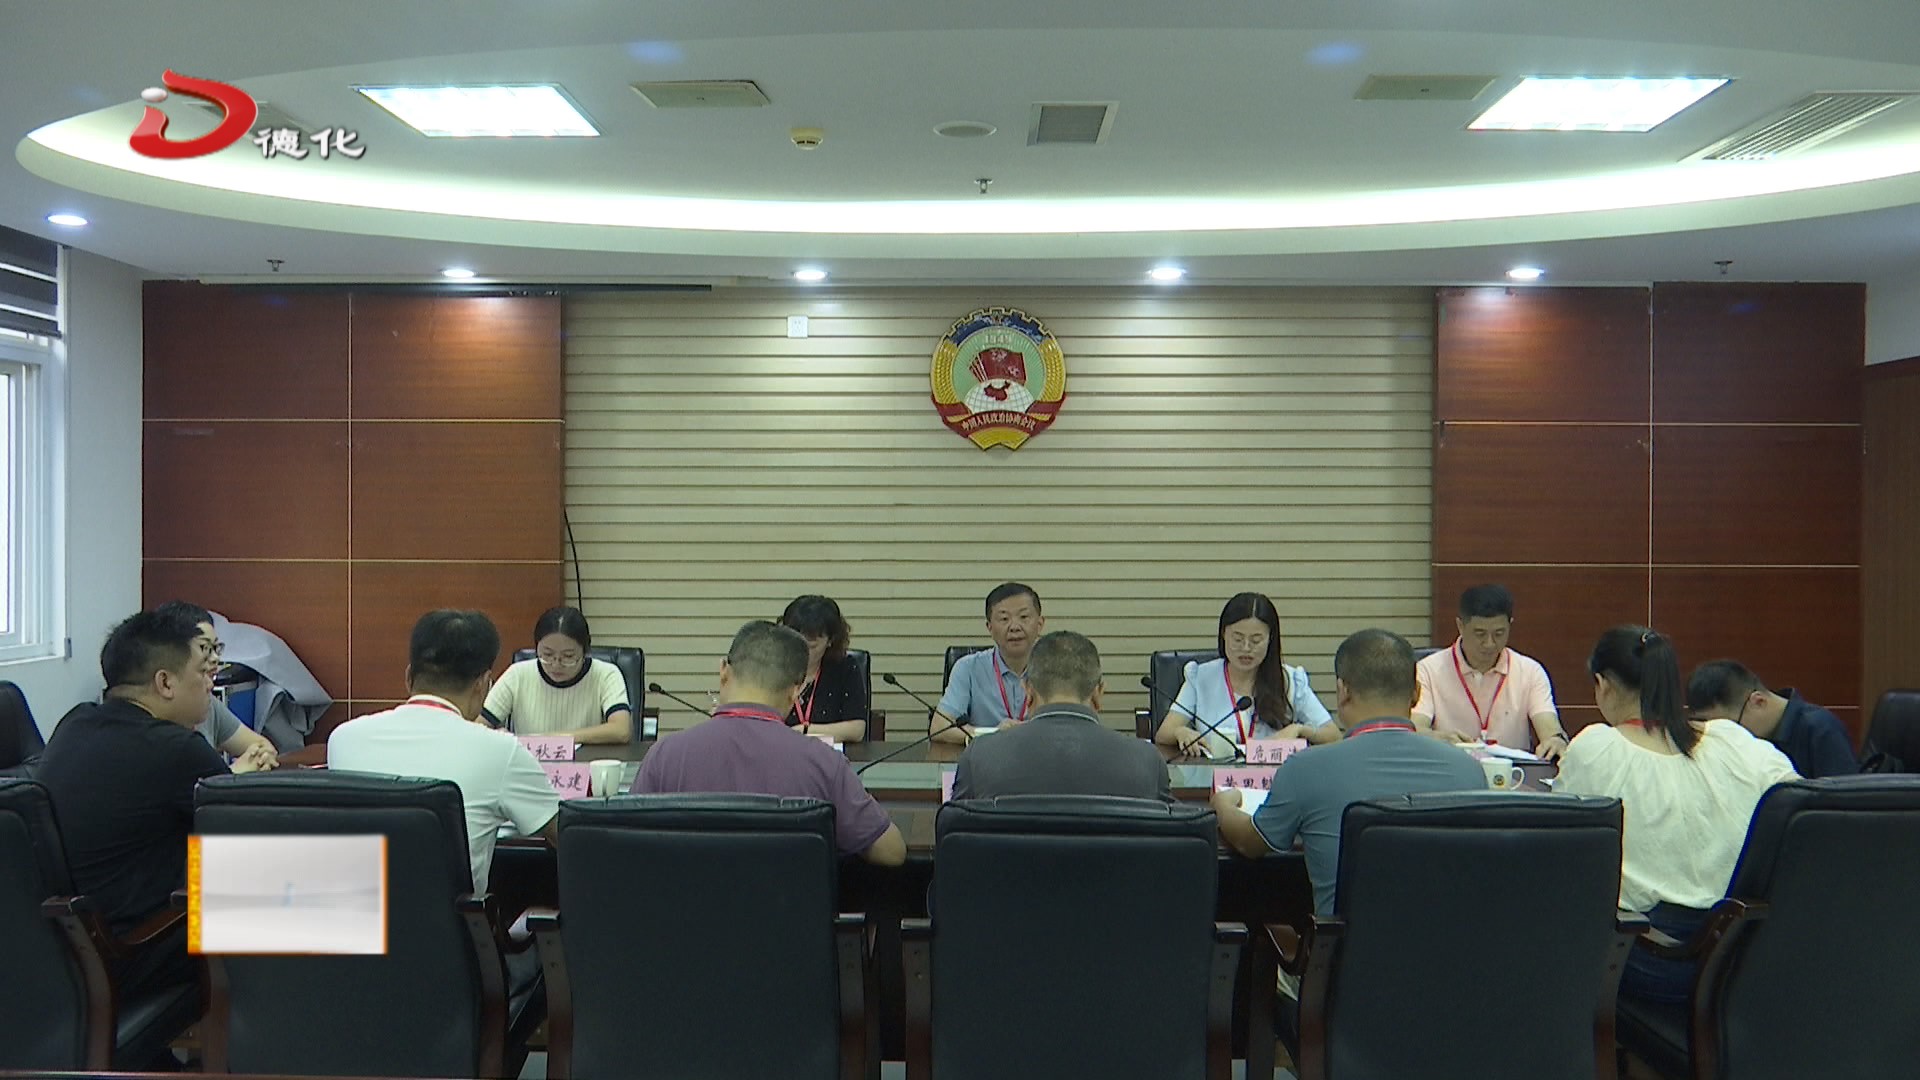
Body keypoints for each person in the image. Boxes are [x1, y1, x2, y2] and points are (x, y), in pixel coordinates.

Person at [35, 609, 272, 1004]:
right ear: (165, 682)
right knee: (337, 893)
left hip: (69, 955)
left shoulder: (74, 724)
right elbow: (251, 831)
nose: (211, 682)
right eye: (203, 671)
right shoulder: (176, 749)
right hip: (139, 949)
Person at [1557, 627, 1798, 1005]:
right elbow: (1802, 805)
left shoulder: (1596, 748)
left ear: (1603, 686)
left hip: (1655, 959)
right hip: (1744, 960)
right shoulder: (1732, 741)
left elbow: (1562, 840)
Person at [1212, 629, 1486, 916]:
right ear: (1417, 693)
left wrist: (1223, 805)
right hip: (1447, 942)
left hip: (1347, 944)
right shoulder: (1469, 772)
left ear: (1343, 691)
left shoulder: (1306, 768)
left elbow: (1250, 843)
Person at [632, 621, 906, 866]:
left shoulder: (664, 755)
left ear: (723, 671)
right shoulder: (824, 762)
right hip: (790, 908)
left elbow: (631, 845)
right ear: (796, 691)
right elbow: (892, 852)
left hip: (687, 907)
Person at [329, 610, 560, 891]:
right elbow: (566, 836)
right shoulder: (501, 751)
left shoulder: (342, 739)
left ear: (409, 677)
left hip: (357, 915)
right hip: (450, 919)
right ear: (482, 684)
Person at [953, 631, 1170, 801]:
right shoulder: (1147, 760)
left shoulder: (980, 757)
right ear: (1098, 693)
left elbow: (953, 831)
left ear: (1028, 691)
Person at [1156, 592, 1336, 758]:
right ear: (1223, 634)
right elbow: (1164, 733)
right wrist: (1181, 732)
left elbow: (1333, 736)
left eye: (1256, 640)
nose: (1246, 648)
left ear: (1270, 639)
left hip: (1275, 779)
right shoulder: (1201, 677)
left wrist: (1299, 730)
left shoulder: (1290, 680)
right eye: (1238, 639)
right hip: (1214, 776)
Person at [1413, 584, 1569, 761]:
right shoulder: (1428, 670)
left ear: (1510, 625)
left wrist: (1554, 740)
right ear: (1460, 626)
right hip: (1450, 768)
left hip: (1514, 772)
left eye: (1499, 633)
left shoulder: (1530, 671)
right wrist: (1436, 738)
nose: (1489, 643)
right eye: (1480, 634)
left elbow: (1549, 727)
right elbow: (1415, 729)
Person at [480, 606, 632, 744]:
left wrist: (555, 739)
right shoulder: (517, 675)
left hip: (587, 763)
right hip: (530, 763)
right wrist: (499, 736)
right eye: (547, 654)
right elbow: (479, 725)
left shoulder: (606, 674)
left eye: (568, 656)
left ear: (585, 651)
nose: (556, 665)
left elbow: (621, 730)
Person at [155, 600, 278, 768]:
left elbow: (262, 747)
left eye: (216, 648)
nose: (214, 658)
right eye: (205, 647)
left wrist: (260, 759)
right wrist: (231, 775)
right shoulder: (151, 726)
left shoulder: (206, 702)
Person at [1686, 659, 1858, 778]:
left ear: (1758, 702)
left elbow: (1843, 807)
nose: (1723, 737)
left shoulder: (1820, 730)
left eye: (1728, 727)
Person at [932, 582, 1045, 744]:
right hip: (985, 756)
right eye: (1004, 619)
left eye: (1024, 617)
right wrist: (993, 734)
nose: (1014, 627)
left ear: (1040, 624)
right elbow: (939, 728)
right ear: (990, 627)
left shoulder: (1058, 669)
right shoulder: (968, 668)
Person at [778, 595, 869, 742]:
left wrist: (805, 731)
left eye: (812, 646)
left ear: (830, 640)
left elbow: (856, 729)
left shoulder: (844, 668)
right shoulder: (773, 666)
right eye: (796, 642)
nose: (802, 650)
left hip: (828, 752)